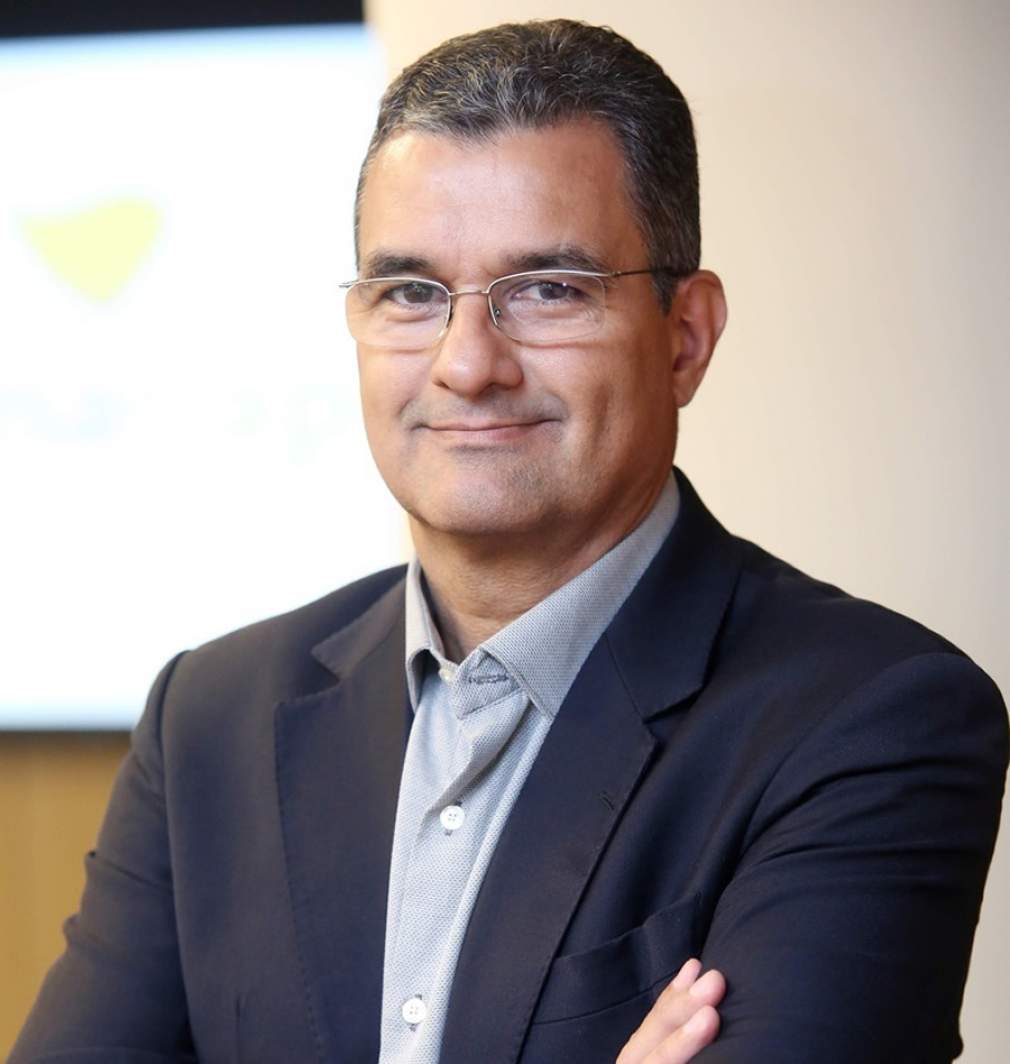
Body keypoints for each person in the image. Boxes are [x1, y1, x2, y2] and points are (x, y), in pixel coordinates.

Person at [11, 19, 1008, 1064]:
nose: (466, 364)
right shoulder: (211, 717)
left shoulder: (869, 718)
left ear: (684, 336)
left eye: (547, 290)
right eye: (410, 293)